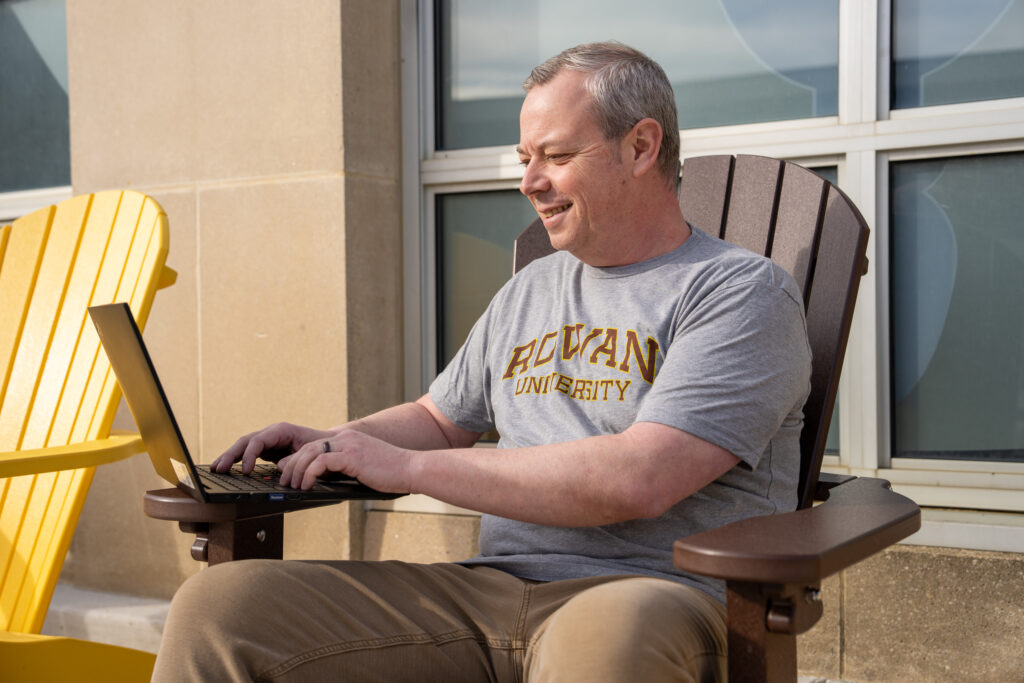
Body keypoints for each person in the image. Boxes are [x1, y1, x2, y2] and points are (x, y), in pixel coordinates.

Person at [152, 41, 811, 683]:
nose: (529, 182)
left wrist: (409, 469)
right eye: (526, 158)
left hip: (648, 592)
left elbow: (640, 478)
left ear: (641, 147)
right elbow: (439, 420)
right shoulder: (532, 288)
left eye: (555, 156)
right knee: (220, 609)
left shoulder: (741, 293)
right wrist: (335, 440)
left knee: (610, 635)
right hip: (484, 595)